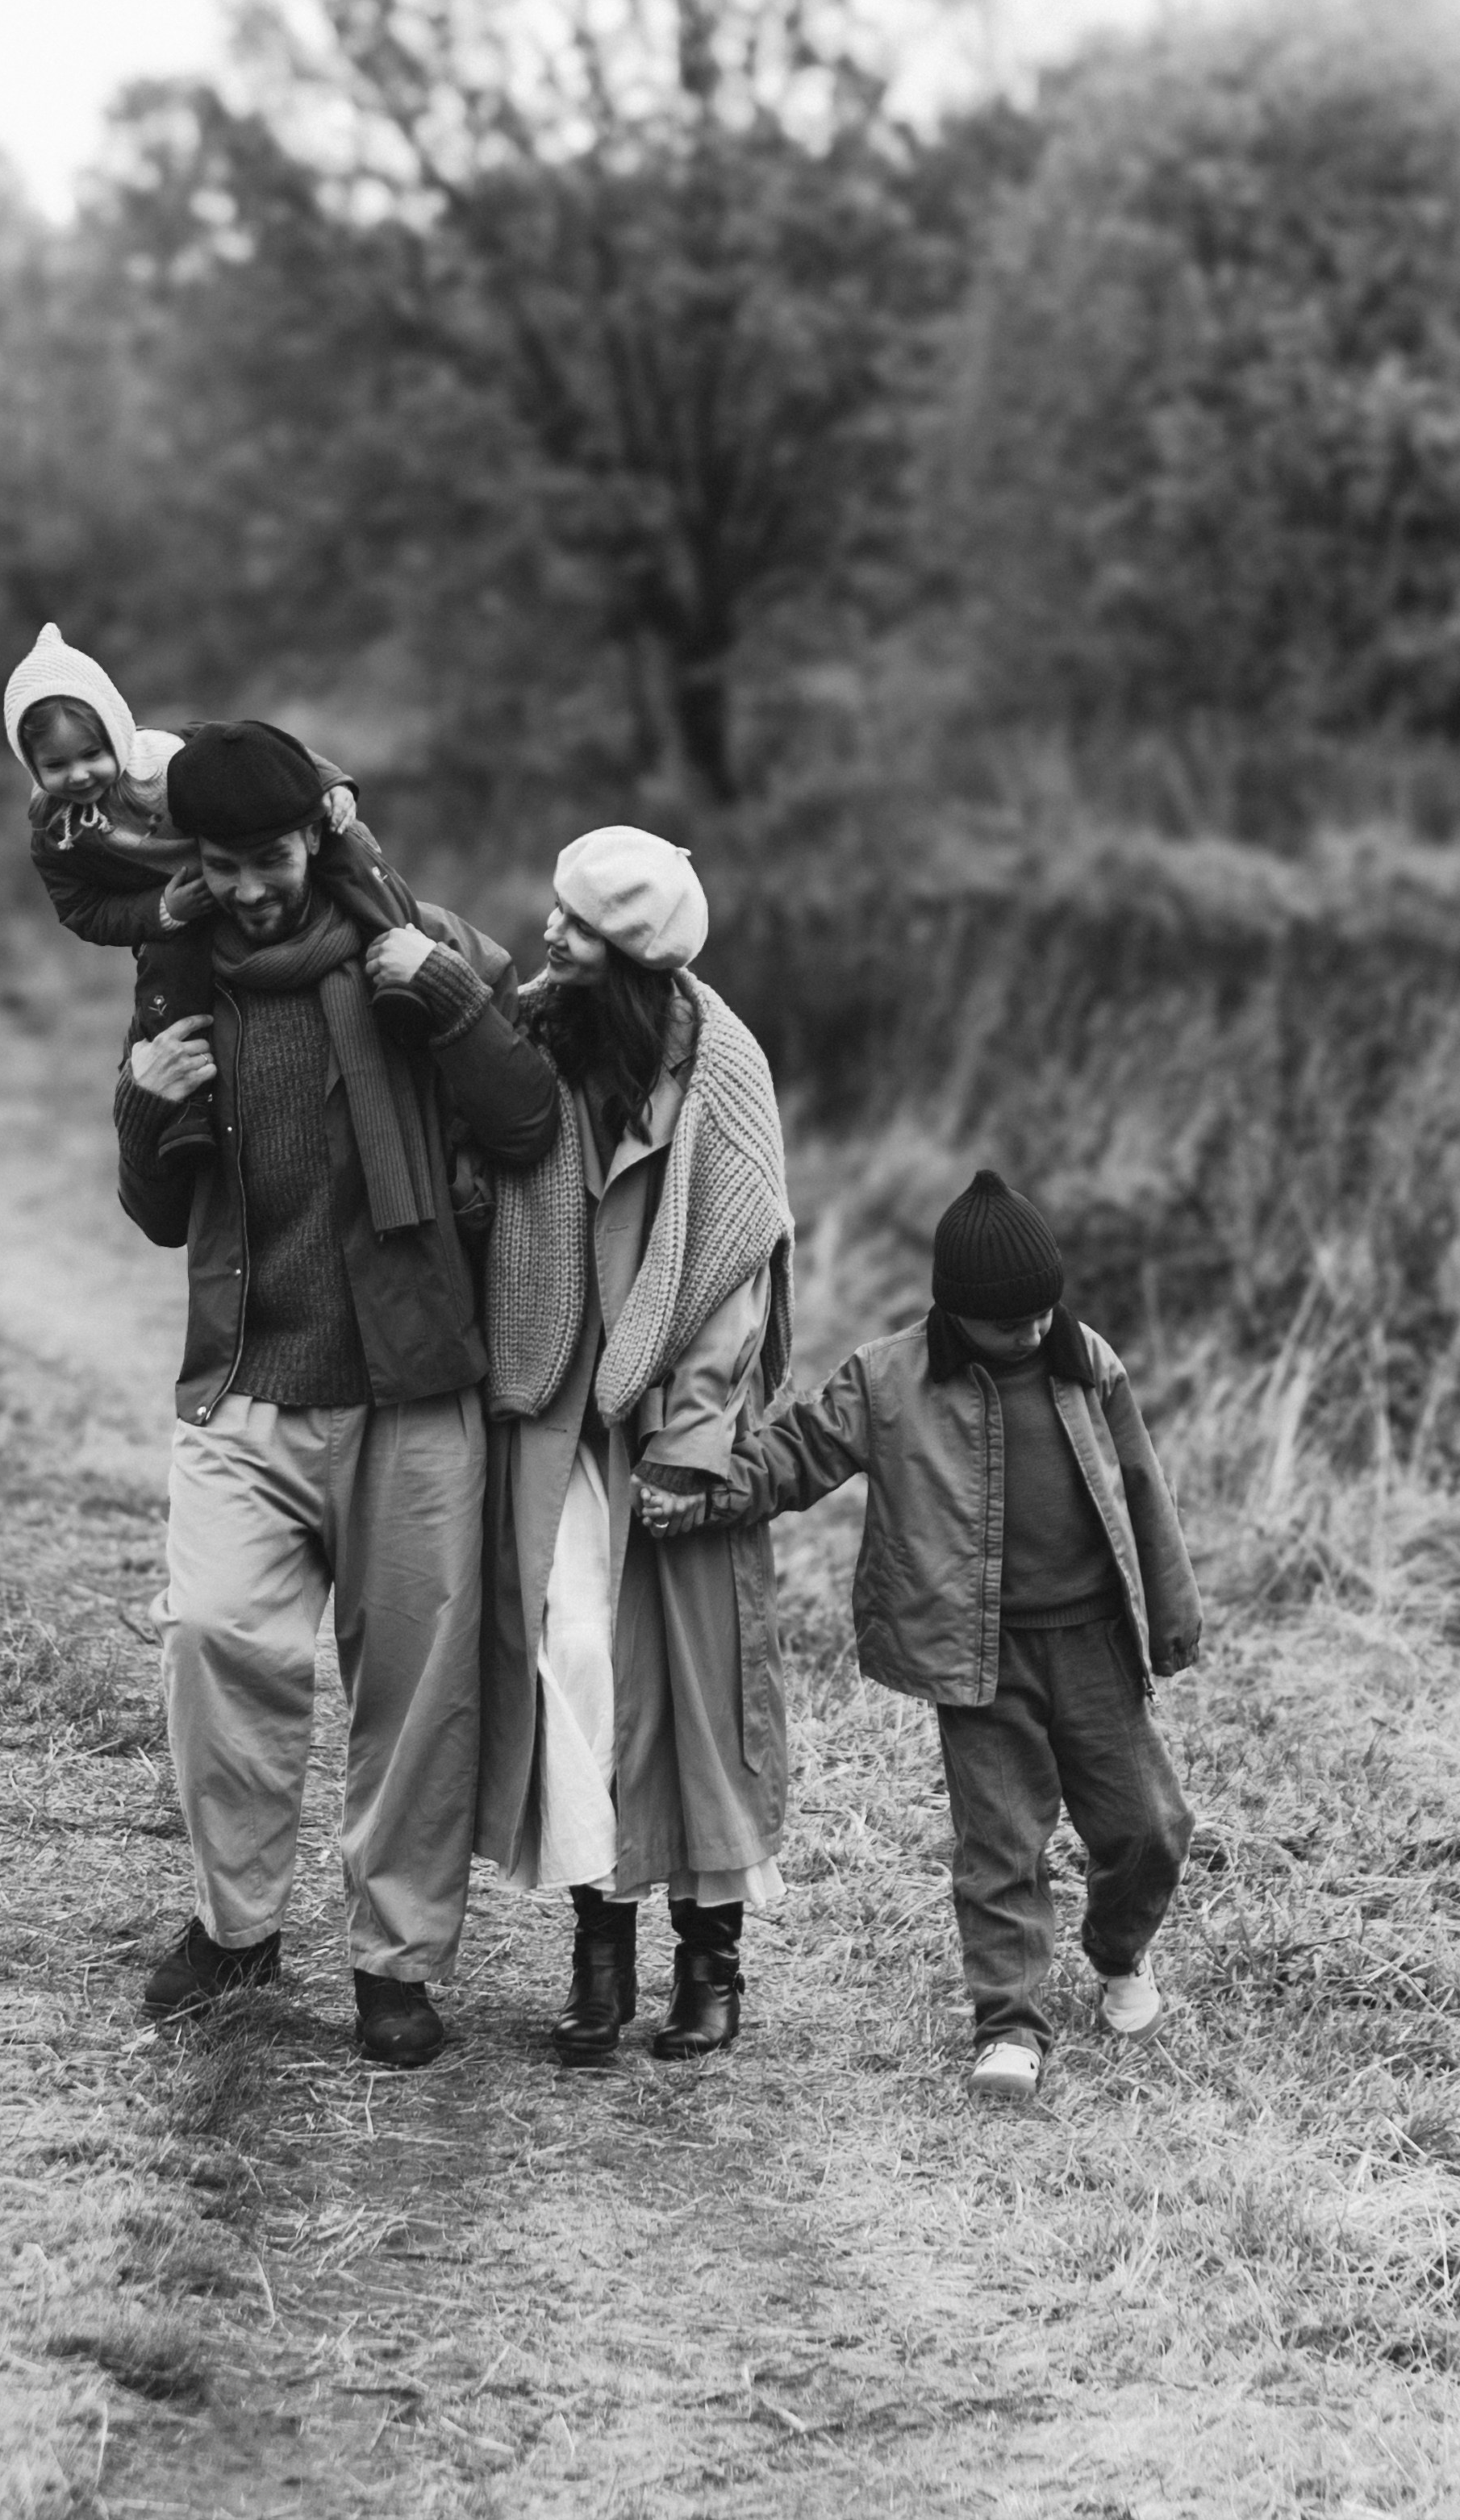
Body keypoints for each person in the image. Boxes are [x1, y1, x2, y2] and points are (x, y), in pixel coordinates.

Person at [115, 719, 560, 2067]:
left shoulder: (413, 944)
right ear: (191, 864)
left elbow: (528, 1119)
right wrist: (142, 1103)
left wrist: (451, 1001)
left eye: (270, 855)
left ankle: (395, 1964)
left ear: (318, 834)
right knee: (211, 1634)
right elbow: (154, 1213)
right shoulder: (175, 974)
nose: (251, 886)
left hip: (409, 1382)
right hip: (246, 1379)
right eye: (222, 864)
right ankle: (237, 1929)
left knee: (415, 1692)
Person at [640, 1169, 1201, 2105]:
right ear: (954, 1312)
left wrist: (1171, 1620)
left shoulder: (1086, 1360)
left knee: (1150, 1828)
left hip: (1095, 1641)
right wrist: (702, 1489)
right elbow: (798, 1453)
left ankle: (1115, 1951)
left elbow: (1142, 1487)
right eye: (1006, 1321)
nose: (1028, 1332)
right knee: (1001, 1845)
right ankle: (1010, 2028)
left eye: (1039, 1314)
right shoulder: (890, 1377)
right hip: (974, 1654)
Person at [475, 827, 795, 2064]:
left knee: (699, 1697)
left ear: (632, 954)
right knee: (576, 1667)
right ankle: (597, 1955)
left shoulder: (725, 1069)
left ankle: (711, 1969)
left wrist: (697, 1445)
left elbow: (739, 1270)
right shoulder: (543, 1045)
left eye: (577, 925)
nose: (551, 935)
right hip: (561, 1414)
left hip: (675, 1432)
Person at [2, 621, 417, 1158]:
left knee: (346, 847)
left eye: (91, 755)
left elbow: (263, 751)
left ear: (118, 734)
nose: (79, 775)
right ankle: (189, 1108)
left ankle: (402, 954)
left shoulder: (168, 756)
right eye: (56, 765)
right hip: (178, 908)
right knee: (166, 977)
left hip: (233, 853)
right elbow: (83, 910)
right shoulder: (56, 836)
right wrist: (162, 911)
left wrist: (331, 785)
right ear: (30, 764)